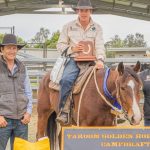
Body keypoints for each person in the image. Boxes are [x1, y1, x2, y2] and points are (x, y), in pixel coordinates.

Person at [56, 0, 105, 125]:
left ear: (90, 11)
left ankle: (114, 110)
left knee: (109, 78)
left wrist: (100, 60)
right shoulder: (68, 26)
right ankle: (64, 111)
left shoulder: (97, 27)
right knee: (66, 80)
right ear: (77, 11)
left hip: (92, 61)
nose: (84, 13)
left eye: (86, 10)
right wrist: (72, 49)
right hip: (74, 60)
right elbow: (60, 45)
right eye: (81, 10)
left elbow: (99, 45)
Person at [0, 34, 33, 150]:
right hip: (3, 120)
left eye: (14, 48)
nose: (11, 51)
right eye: (8, 48)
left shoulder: (22, 67)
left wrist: (28, 112)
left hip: (21, 120)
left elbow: (28, 92)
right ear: (2, 49)